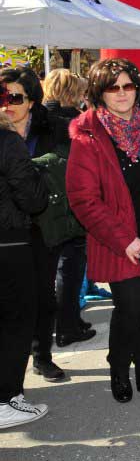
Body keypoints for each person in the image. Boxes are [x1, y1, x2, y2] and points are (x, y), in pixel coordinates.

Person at [66, 59, 140, 402]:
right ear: (98, 92)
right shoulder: (88, 137)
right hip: (121, 240)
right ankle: (119, 369)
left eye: (127, 85)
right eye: (112, 87)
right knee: (132, 307)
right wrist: (123, 239)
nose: (121, 93)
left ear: (138, 87)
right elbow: (83, 199)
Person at [0, 67, 71, 382]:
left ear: (31, 100)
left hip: (43, 225)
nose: (7, 103)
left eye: (15, 96)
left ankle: (42, 356)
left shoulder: (53, 128)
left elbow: (66, 165)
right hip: (6, 229)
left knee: (42, 294)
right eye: (2, 96)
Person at [0, 92, 50, 429]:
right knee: (15, 321)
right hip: (9, 242)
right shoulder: (7, 142)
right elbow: (32, 199)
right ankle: (5, 400)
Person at [39, 70, 95, 349]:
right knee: (70, 270)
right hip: (69, 203)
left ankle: (67, 323)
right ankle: (68, 325)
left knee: (56, 270)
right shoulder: (72, 121)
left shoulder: (38, 118)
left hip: (43, 202)